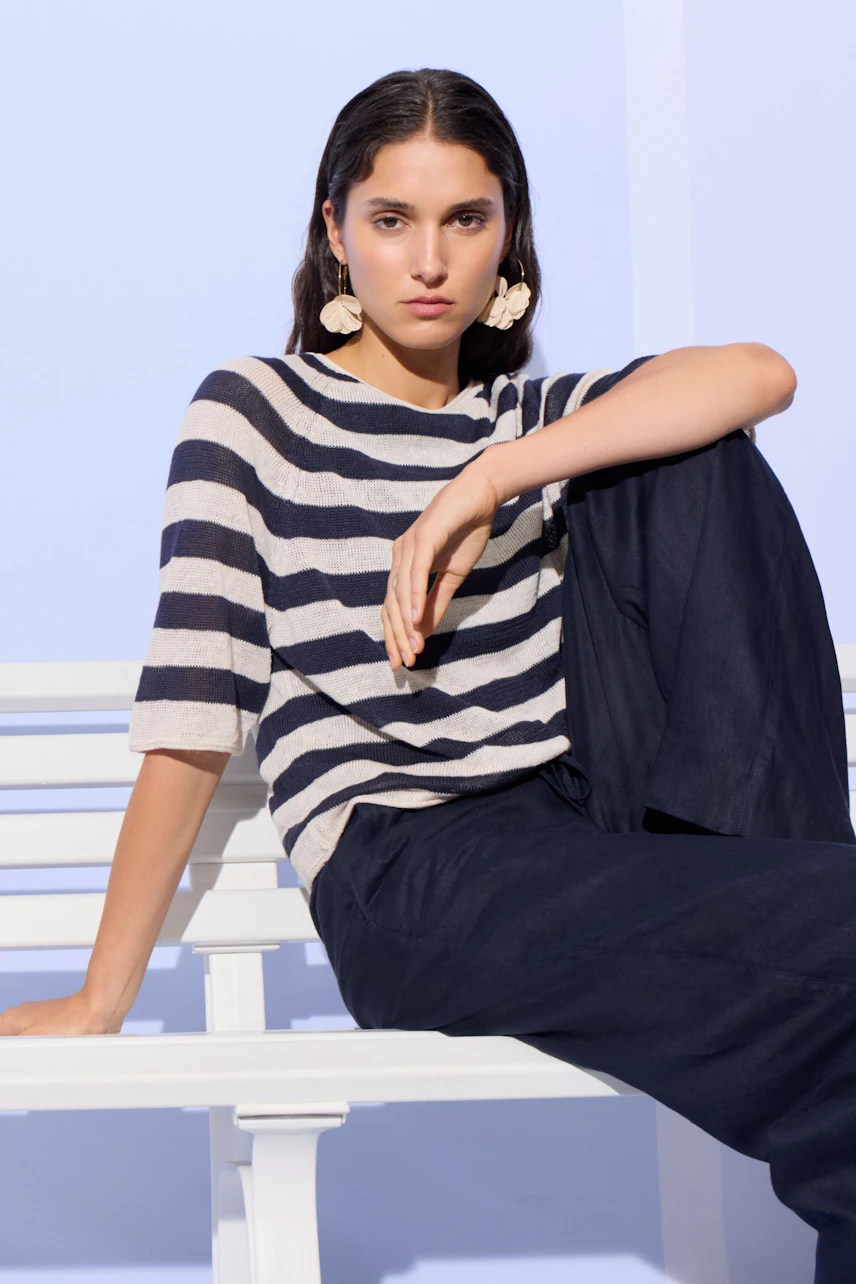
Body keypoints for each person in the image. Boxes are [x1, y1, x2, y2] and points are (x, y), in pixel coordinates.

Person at [2, 66, 854, 1281]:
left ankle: (793, 881)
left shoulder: (525, 421)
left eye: (467, 219)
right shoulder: (255, 412)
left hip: (591, 825)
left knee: (688, 446)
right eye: (391, 220)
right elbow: (197, 708)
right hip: (415, 870)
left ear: (509, 241)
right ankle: (812, 898)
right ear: (335, 235)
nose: (429, 260)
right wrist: (102, 994)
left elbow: (759, 371)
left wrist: (488, 480)